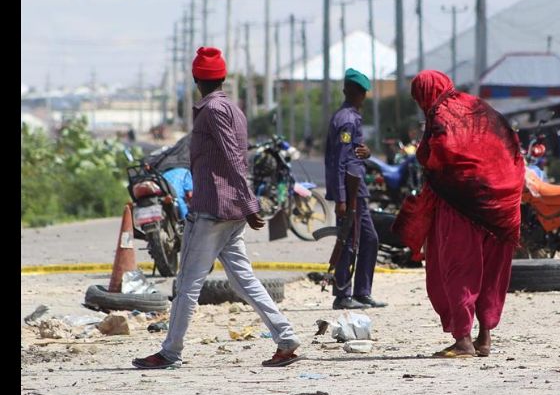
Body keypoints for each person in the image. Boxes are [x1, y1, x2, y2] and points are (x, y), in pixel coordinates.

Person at [132, 47, 302, 369]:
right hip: (231, 212)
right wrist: (245, 203)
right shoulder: (234, 110)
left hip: (212, 209)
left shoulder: (211, 111)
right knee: (242, 280)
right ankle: (285, 337)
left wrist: (251, 202)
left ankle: (170, 352)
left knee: (187, 283)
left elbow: (232, 159)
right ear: (223, 78)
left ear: (197, 79)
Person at [393, 70, 525, 358]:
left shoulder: (439, 114)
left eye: (419, 98)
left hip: (460, 204)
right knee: (492, 271)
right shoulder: (478, 106)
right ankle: (484, 338)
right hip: (501, 205)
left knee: (458, 269)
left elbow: (437, 154)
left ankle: (463, 340)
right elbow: (510, 143)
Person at [323, 68, 387, 310]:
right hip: (349, 193)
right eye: (359, 91)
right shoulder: (347, 120)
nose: (362, 96)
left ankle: (361, 292)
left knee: (369, 240)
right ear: (348, 91)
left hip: (357, 190)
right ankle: (343, 295)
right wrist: (341, 198)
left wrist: (367, 154)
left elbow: (353, 155)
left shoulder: (351, 118)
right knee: (348, 241)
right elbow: (339, 161)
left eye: (364, 92)